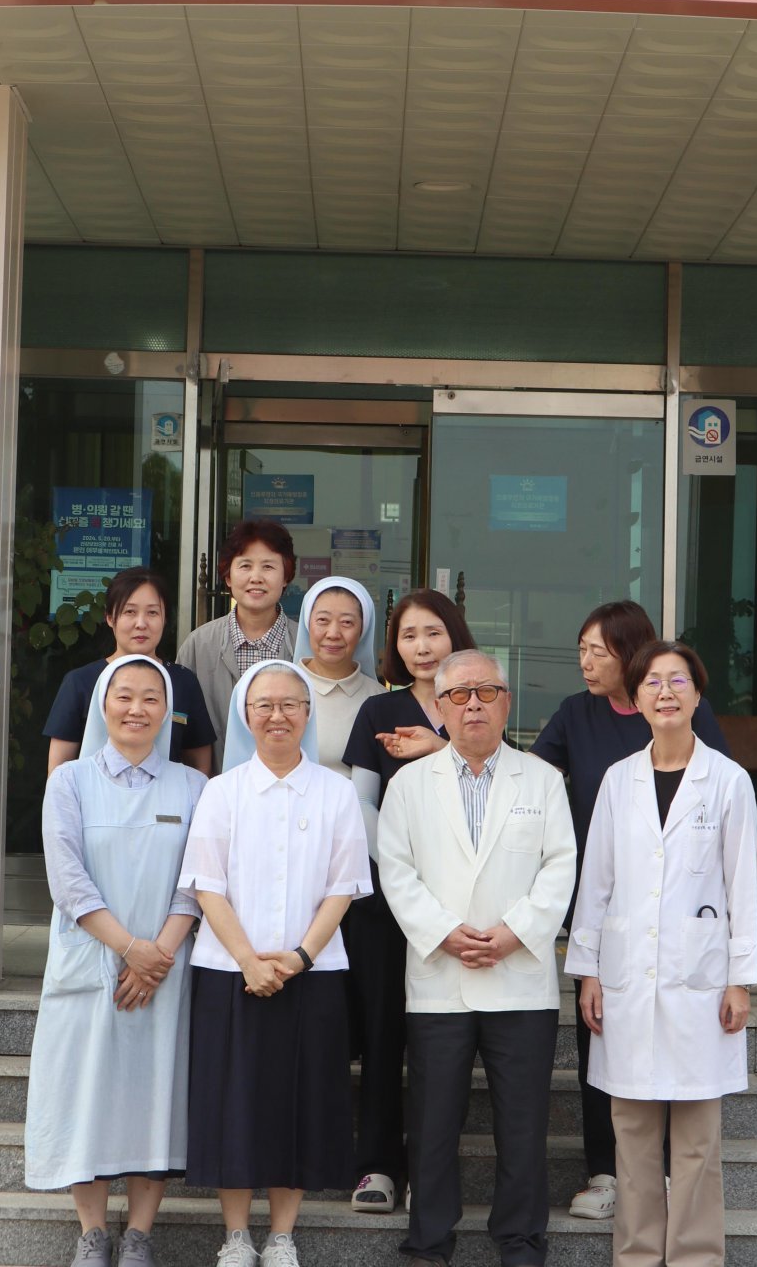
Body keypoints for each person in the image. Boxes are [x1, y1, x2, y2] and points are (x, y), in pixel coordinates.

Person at [530, 600, 730, 1221]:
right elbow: (528, 776)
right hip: (607, 904)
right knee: (602, 1041)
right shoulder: (576, 713)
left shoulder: (685, 715)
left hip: (682, 916)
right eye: (582, 650)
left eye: (598, 651)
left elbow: (722, 803)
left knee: (677, 1044)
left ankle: (665, 1175)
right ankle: (606, 1171)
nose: (586, 662)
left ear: (631, 654)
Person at [378, 650, 577, 1267]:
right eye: (458, 695)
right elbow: (396, 871)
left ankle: (520, 1241)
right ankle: (428, 1242)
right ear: (438, 708)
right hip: (440, 975)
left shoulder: (541, 779)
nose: (473, 705)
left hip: (519, 977)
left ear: (506, 703)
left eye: (486, 693)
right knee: (433, 1124)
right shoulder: (409, 784)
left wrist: (517, 932)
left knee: (522, 1124)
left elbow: (560, 866)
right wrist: (442, 933)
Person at [566, 640, 757, 1267]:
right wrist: (588, 971)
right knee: (633, 1136)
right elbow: (597, 882)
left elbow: (741, 887)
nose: (666, 692)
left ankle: (696, 1257)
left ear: (698, 696)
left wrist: (740, 979)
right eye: (653, 681)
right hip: (625, 978)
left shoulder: (727, 781)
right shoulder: (618, 780)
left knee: (697, 1141)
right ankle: (638, 1256)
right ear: (638, 696)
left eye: (679, 681)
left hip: (702, 980)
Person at [178, 660, 372, 1267]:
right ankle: (236, 1236)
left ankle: (282, 1235)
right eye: (263, 705)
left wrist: (299, 956)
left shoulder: (336, 792)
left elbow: (343, 887)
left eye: (290, 704)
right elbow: (207, 886)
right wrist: (248, 961)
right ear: (245, 714)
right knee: (232, 1105)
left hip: (312, 974)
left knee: (302, 1103)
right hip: (227, 972)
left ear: (308, 714)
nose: (277, 716)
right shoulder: (221, 791)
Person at [25, 656, 208, 1267]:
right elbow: (67, 880)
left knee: (154, 1092)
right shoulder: (69, 782)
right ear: (102, 705)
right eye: (123, 696)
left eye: (151, 698)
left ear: (169, 711)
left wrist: (158, 955)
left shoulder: (192, 786)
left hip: (166, 965)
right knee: (87, 1092)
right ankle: (93, 1233)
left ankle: (139, 1236)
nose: (137, 708)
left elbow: (197, 881)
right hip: (95, 958)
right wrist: (133, 950)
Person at [341, 588, 477, 1215]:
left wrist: (440, 747)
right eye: (408, 635)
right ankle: (376, 1165)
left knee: (440, 1041)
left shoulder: (475, 704)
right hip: (386, 903)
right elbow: (360, 801)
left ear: (455, 636)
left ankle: (428, 1167)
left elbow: (498, 783)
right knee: (382, 1033)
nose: (422, 647)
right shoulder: (378, 709)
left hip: (460, 903)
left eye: (433, 633)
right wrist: (401, 872)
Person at [44, 567, 214, 775]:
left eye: (152, 612)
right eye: (130, 612)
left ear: (165, 619)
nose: (141, 624)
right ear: (110, 617)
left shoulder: (184, 682)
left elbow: (200, 767)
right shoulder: (80, 682)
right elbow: (58, 770)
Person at [176, 520, 299, 764]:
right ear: (228, 577)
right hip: (214, 782)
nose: (256, 577)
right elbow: (180, 727)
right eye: (245, 566)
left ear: (286, 576)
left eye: (268, 566)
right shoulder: (198, 645)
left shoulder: (306, 646)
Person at [292, 576, 382, 775]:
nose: (333, 633)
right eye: (322, 620)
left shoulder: (380, 699)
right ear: (307, 624)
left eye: (347, 622)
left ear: (363, 629)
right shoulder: (279, 688)